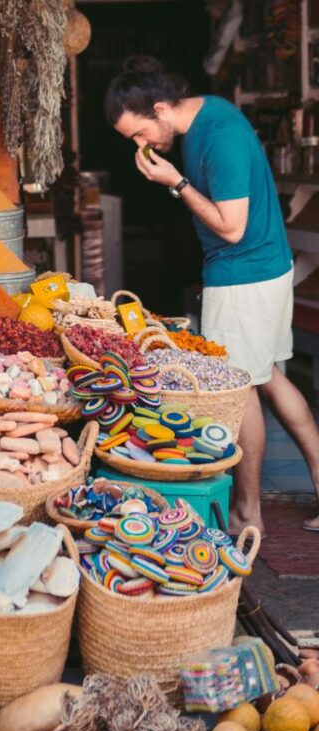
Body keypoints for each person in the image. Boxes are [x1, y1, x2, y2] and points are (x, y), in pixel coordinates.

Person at [104, 55, 319, 535]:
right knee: (269, 379)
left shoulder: (217, 137)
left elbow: (232, 227)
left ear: (161, 107)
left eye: (139, 133)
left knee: (236, 390)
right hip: (263, 268)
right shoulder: (207, 116)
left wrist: (174, 183)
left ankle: (248, 511)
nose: (140, 146)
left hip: (245, 274)